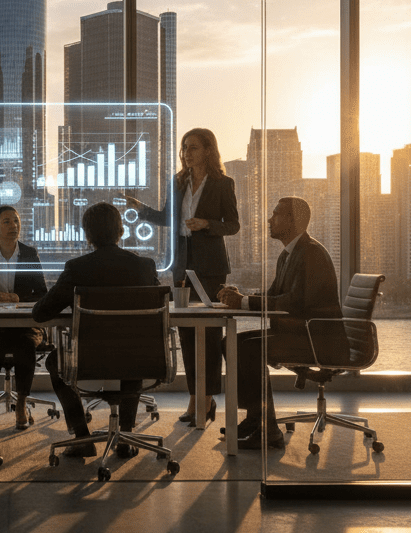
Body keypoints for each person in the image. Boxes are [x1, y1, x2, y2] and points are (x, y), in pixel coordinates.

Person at [125, 127, 239, 425]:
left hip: (211, 266)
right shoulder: (177, 182)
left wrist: (207, 224)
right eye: (185, 147)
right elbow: (168, 218)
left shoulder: (223, 183)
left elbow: (234, 225)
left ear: (208, 150)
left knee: (210, 334)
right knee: (187, 334)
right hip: (181, 264)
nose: (187, 153)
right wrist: (143, 211)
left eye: (194, 147)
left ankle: (206, 398)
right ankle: (195, 396)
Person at [217, 196, 346, 450]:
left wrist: (243, 302)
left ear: (292, 220)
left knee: (247, 348)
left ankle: (268, 429)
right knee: (232, 341)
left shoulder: (311, 254)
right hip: (298, 333)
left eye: (275, 214)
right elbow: (275, 296)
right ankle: (257, 419)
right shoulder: (289, 254)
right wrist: (240, 297)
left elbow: (294, 303)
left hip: (315, 339)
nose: (269, 219)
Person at [33, 202, 159, 458]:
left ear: (87, 235)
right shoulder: (144, 266)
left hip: (88, 360)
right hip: (139, 359)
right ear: (121, 231)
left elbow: (41, 313)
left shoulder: (77, 268)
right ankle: (126, 433)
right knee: (133, 350)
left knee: (54, 362)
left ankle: (81, 436)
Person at [0, 205, 48, 430]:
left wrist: (16, 296)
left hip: (25, 324)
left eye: (16, 221)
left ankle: (22, 404)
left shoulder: (29, 253)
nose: (13, 226)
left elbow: (41, 292)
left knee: (25, 345)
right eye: (6, 222)